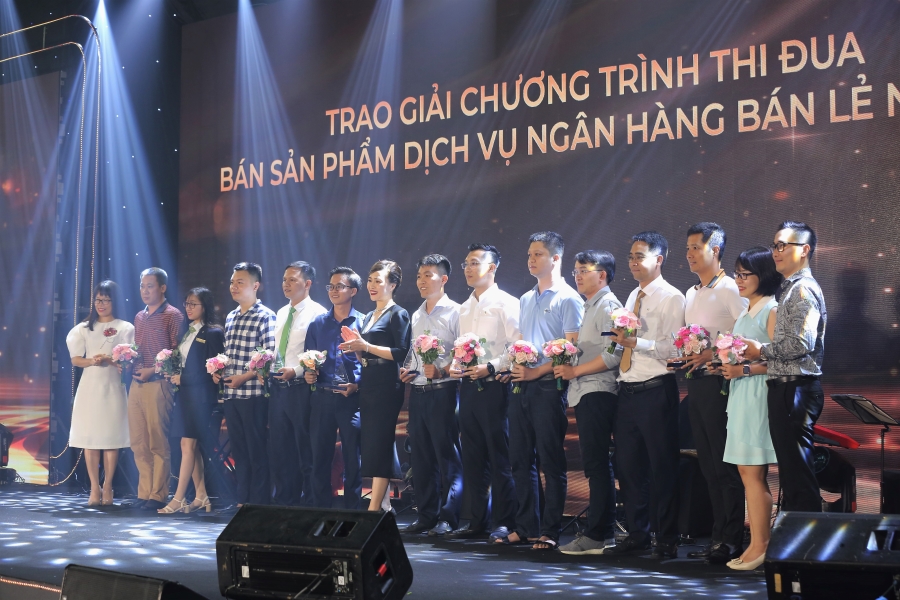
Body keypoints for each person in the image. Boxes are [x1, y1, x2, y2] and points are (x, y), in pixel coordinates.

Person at [671, 223, 748, 564]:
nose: (689, 254)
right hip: (697, 383)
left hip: (722, 384)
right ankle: (717, 537)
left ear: (714, 250)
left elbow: (746, 338)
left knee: (724, 464)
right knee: (708, 465)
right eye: (687, 248)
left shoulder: (730, 288)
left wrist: (712, 355)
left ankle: (731, 539)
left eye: (695, 248)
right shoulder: (691, 292)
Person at [605, 231, 685, 560]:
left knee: (662, 467)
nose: (633, 263)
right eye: (631, 257)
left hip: (656, 390)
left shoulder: (672, 297)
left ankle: (666, 539)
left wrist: (636, 342)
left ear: (659, 259)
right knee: (628, 467)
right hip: (627, 391)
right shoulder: (632, 295)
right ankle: (637, 534)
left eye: (640, 256)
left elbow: (674, 349)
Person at [503, 232, 583, 550]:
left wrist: (536, 371)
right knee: (520, 459)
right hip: (522, 385)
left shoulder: (568, 298)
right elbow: (525, 341)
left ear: (555, 258)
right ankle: (526, 526)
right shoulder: (526, 298)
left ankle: (550, 530)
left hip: (550, 387)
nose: (531, 260)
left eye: (538, 254)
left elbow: (571, 349)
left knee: (550, 461)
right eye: (529, 254)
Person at [743, 222, 826, 513]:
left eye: (783, 245)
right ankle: (798, 535)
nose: (776, 252)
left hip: (796, 388)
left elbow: (800, 344)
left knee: (798, 477)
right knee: (792, 476)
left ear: (804, 250)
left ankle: (807, 538)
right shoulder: (791, 288)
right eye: (774, 245)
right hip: (787, 387)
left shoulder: (802, 290)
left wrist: (760, 350)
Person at [714, 247, 782, 571]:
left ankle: (761, 546)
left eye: (745, 274)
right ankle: (756, 543)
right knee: (745, 472)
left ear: (763, 275)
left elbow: (780, 361)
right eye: (737, 274)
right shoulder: (746, 311)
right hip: (741, 394)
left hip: (757, 394)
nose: (739, 280)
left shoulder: (771, 309)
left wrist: (743, 370)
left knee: (753, 472)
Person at [447, 244, 520, 541]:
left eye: (475, 262)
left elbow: (517, 345)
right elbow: (461, 348)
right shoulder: (464, 308)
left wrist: (490, 367)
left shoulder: (507, 302)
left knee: (500, 457)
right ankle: (477, 520)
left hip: (496, 387)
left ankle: (504, 522)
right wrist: (456, 366)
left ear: (492, 267)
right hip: (468, 388)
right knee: (474, 457)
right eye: (466, 263)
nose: (468, 268)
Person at [556, 250, 622, 555]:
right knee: (594, 464)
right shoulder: (590, 305)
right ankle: (600, 533)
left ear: (602, 275)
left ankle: (599, 534)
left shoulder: (608, 306)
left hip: (599, 390)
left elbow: (613, 354)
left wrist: (574, 371)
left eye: (584, 270)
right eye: (576, 271)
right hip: (586, 391)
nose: (578, 276)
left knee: (597, 465)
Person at [398, 254, 463, 536]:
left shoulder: (456, 312)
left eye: (428, 275)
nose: (422, 281)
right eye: (419, 276)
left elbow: (464, 353)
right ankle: (426, 515)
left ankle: (449, 517)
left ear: (443, 279)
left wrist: (443, 371)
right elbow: (414, 354)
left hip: (444, 392)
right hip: (418, 392)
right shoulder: (416, 314)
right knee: (421, 456)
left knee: (446, 456)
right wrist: (407, 371)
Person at [339, 260, 411, 512]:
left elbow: (401, 352)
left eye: (378, 281)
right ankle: (385, 505)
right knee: (374, 443)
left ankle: (374, 509)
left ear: (392, 285)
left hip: (386, 384)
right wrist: (356, 348)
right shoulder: (369, 316)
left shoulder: (398, 313)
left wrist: (366, 346)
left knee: (380, 443)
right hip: (369, 383)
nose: (372, 285)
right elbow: (366, 355)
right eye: (370, 280)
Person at [212, 262, 276, 507]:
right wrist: (219, 370)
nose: (234, 286)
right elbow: (229, 354)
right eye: (232, 282)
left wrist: (244, 377)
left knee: (256, 450)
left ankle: (258, 503)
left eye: (240, 282)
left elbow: (269, 357)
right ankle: (243, 500)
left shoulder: (265, 316)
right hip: (231, 395)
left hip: (254, 394)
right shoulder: (231, 316)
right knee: (239, 451)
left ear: (255, 285)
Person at [67, 280, 134, 507]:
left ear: (115, 301)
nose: (101, 304)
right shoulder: (84, 328)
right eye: (98, 300)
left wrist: (111, 360)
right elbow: (76, 359)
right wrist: (93, 361)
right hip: (90, 387)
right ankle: (94, 488)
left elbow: (128, 359)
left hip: (113, 386)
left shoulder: (125, 327)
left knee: (111, 438)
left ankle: (108, 486)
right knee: (91, 439)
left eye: (106, 300)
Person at [159, 287, 225, 514]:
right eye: (186, 303)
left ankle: (179, 498)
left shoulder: (213, 332)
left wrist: (183, 377)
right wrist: (172, 371)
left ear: (204, 306)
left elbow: (213, 370)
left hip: (201, 397)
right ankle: (201, 495)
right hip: (185, 394)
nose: (188, 308)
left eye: (193, 304)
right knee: (190, 447)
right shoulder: (187, 332)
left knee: (188, 445)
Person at [268, 262, 327, 506]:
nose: (286, 284)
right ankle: (285, 503)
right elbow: (276, 349)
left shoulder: (318, 313)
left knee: (306, 449)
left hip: (302, 388)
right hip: (278, 388)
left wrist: (297, 370)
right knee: (281, 450)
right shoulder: (282, 312)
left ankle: (311, 504)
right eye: (285, 279)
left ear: (308, 283)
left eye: (292, 279)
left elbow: (322, 354)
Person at [305, 267, 364, 509]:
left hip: (352, 398)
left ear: (353, 291)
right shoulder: (318, 323)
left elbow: (371, 364)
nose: (334, 290)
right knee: (319, 457)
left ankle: (352, 510)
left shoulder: (364, 322)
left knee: (352, 457)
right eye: (331, 286)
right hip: (322, 397)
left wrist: (358, 385)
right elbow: (308, 358)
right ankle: (320, 509)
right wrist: (309, 373)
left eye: (340, 286)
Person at [129, 267, 184, 510]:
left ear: (162, 288)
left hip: (159, 383)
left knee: (157, 442)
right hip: (136, 383)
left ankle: (158, 495)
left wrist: (153, 370)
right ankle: (144, 493)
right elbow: (138, 347)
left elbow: (177, 353)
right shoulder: (139, 316)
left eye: (150, 286)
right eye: (142, 286)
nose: (145, 291)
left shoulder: (173, 315)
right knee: (138, 441)